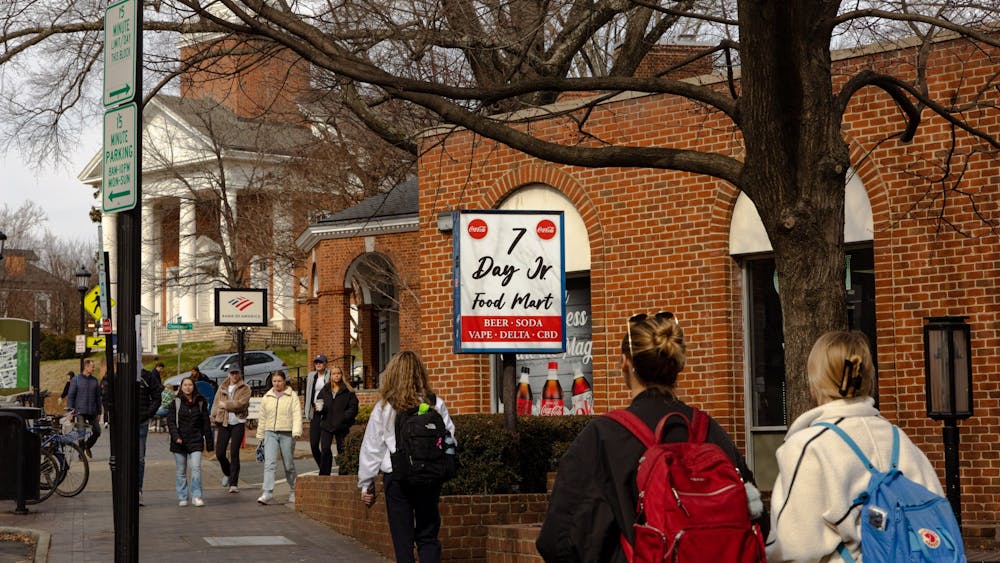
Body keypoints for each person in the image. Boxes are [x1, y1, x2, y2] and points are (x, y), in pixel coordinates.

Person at [536, 311, 765, 562]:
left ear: (625, 362)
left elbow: (558, 539)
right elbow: (756, 517)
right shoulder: (709, 430)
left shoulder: (603, 437)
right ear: (678, 365)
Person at [765, 330, 946, 562]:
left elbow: (795, 547)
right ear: (868, 377)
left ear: (816, 381)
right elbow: (935, 513)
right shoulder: (899, 439)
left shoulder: (808, 447)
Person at [359, 351, 456, 563]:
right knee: (428, 536)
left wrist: (366, 484)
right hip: (429, 476)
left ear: (393, 374)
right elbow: (449, 436)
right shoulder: (434, 402)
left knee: (402, 540)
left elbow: (372, 448)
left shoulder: (385, 406)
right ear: (419, 372)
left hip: (397, 477)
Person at [255, 370, 302, 505]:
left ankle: (293, 489)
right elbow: (262, 417)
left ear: (284, 381)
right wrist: (260, 435)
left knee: (288, 464)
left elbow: (297, 414)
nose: (277, 384)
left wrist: (296, 431)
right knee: (269, 464)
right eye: (274, 381)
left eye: (279, 381)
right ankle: (267, 492)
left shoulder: (292, 396)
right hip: (270, 433)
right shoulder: (267, 396)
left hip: (287, 433)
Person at [167, 376, 213, 507]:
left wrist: (209, 442)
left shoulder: (200, 402)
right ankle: (182, 496)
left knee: (196, 468)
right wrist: (176, 437)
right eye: (185, 385)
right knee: (181, 471)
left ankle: (196, 496)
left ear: (194, 387)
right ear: (181, 387)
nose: (188, 387)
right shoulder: (175, 402)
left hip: (195, 440)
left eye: (190, 385)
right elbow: (171, 422)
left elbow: (206, 422)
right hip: (179, 442)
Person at [211, 364, 251, 493]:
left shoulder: (245, 388)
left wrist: (226, 405)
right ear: (228, 374)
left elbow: (241, 404)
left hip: (238, 422)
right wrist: (213, 417)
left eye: (236, 373)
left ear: (240, 374)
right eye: (232, 373)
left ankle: (234, 483)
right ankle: (228, 473)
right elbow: (217, 403)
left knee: (234, 452)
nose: (234, 375)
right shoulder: (222, 387)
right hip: (224, 422)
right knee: (220, 453)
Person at [316, 365, 359, 475]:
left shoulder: (348, 390)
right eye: (334, 373)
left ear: (341, 375)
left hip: (342, 425)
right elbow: (319, 401)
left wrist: (344, 418)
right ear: (330, 376)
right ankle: (325, 474)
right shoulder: (325, 389)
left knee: (342, 450)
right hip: (327, 424)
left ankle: (344, 472)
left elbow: (353, 408)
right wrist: (320, 409)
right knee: (325, 449)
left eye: (338, 373)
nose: (336, 375)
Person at [137, 365, 164, 505]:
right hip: (125, 424)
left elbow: (157, 396)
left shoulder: (147, 376)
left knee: (139, 459)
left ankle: (138, 491)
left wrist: (148, 414)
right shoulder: (122, 373)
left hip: (141, 422)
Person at [66, 359, 102, 458]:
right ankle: (81, 455)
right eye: (92, 367)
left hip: (92, 411)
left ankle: (87, 446)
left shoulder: (94, 380)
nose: (94, 369)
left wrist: (99, 412)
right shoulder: (76, 379)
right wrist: (70, 412)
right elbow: (71, 396)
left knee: (97, 431)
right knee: (81, 433)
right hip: (80, 411)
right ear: (86, 367)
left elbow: (98, 397)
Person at [304, 354, 332, 469]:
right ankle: (323, 467)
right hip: (315, 412)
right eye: (316, 362)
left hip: (326, 413)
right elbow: (308, 392)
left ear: (325, 364)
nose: (318, 364)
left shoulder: (330, 375)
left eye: (320, 362)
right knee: (314, 445)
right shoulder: (311, 376)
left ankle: (326, 469)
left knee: (325, 446)